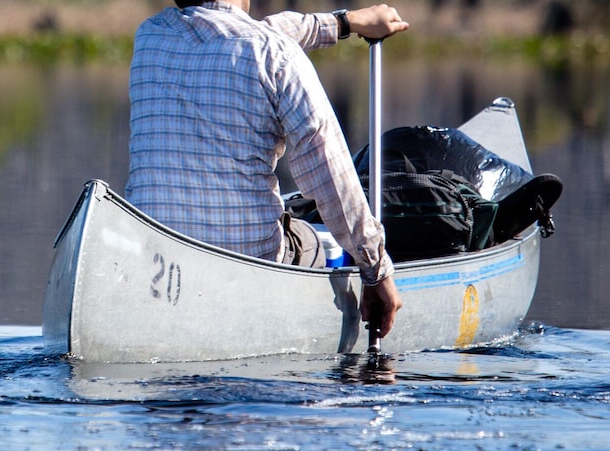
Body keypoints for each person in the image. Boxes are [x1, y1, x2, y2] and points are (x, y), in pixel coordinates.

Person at [124, 1, 408, 343]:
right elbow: (329, 175)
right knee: (320, 240)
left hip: (158, 263)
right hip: (251, 266)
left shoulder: (150, 38)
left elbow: (248, 34)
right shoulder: (274, 55)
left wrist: (345, 23)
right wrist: (376, 271)